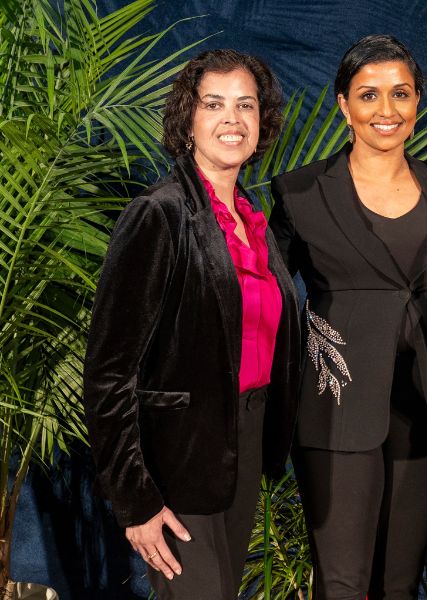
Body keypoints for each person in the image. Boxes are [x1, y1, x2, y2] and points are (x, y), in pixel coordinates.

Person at [82, 49, 300, 600]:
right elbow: (109, 372)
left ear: (262, 122)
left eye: (246, 105)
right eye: (214, 104)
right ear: (188, 121)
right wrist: (135, 500)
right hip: (177, 460)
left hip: (242, 445)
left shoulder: (252, 218)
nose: (233, 119)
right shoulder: (160, 213)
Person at [269, 34, 427, 600]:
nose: (387, 110)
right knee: (341, 585)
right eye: (368, 94)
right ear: (343, 104)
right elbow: (267, 298)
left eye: (401, 93)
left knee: (400, 586)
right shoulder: (301, 191)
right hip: (335, 408)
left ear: (418, 101)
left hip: (426, 411)